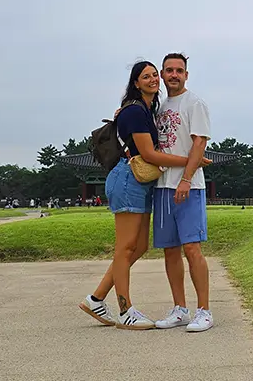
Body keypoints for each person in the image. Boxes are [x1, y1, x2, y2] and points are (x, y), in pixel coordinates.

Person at [79, 61, 208, 330]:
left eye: (153, 75)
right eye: (145, 76)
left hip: (144, 183)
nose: (152, 79)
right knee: (125, 248)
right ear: (136, 82)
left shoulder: (151, 110)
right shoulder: (137, 112)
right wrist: (190, 161)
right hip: (128, 179)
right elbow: (148, 155)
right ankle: (125, 309)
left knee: (138, 248)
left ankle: (96, 298)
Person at [150, 53, 215, 333]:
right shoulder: (160, 107)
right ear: (162, 75)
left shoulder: (195, 103)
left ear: (186, 75)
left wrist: (186, 179)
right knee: (170, 250)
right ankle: (180, 309)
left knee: (192, 248)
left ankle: (204, 310)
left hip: (189, 186)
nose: (174, 75)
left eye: (179, 70)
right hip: (162, 186)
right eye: (169, 70)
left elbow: (199, 142)